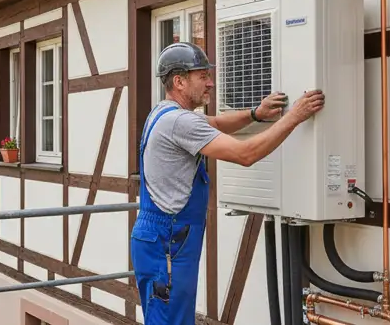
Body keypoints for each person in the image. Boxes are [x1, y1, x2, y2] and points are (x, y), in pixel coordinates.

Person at [130, 42, 325, 324]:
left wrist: (256, 114)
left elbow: (217, 124)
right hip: (168, 238)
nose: (210, 83)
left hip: (161, 237)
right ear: (179, 81)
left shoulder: (165, 113)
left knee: (169, 317)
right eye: (202, 76)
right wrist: (295, 116)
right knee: (171, 320)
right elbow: (246, 154)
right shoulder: (179, 122)